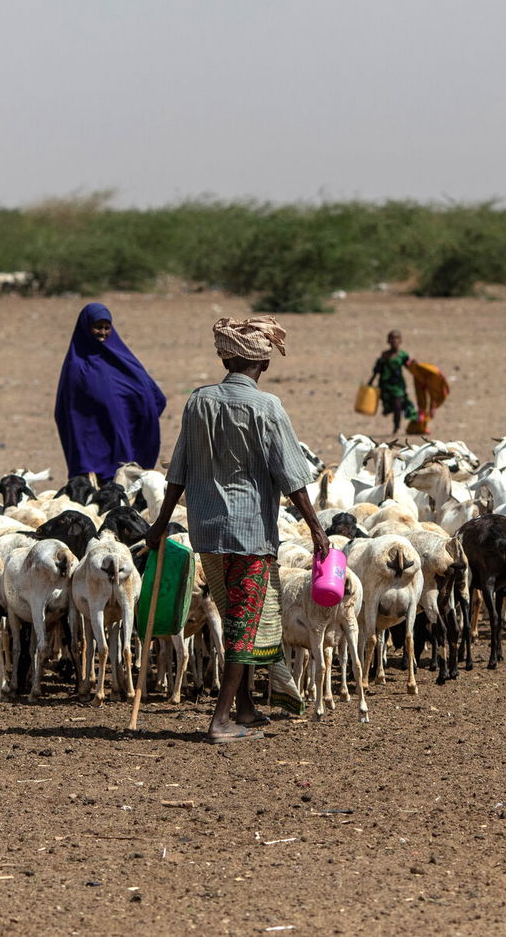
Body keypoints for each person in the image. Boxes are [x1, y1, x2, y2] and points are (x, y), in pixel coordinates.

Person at [145, 316, 328, 743]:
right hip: (249, 534)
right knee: (245, 624)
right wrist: (317, 529)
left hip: (207, 533)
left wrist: (159, 523)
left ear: (225, 359)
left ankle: (245, 707)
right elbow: (292, 477)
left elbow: (178, 470)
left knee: (234, 616)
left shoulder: (198, 402)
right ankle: (220, 720)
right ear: (264, 364)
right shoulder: (267, 407)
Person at [54, 302, 168, 484]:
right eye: (97, 327)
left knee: (123, 478)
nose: (103, 332)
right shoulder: (76, 364)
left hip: (121, 431)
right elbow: (68, 408)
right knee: (93, 486)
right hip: (91, 439)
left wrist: (141, 415)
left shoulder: (121, 357)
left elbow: (151, 393)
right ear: (86, 327)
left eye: (107, 328)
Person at [367, 329, 418, 436]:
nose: (394, 340)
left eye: (396, 338)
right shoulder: (384, 355)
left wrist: (417, 368)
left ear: (400, 340)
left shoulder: (402, 355)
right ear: (388, 341)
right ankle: (392, 416)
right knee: (390, 404)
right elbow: (377, 370)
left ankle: (396, 427)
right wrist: (370, 382)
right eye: (392, 338)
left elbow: (410, 367)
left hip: (398, 385)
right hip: (385, 385)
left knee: (398, 404)